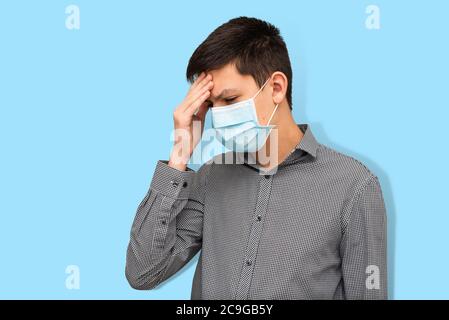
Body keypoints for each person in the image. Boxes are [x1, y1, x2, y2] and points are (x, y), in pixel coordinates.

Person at [125, 16, 387, 299]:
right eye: (211, 105)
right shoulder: (213, 176)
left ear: (276, 87)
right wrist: (180, 153)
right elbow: (143, 273)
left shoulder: (354, 187)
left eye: (230, 100)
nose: (219, 115)